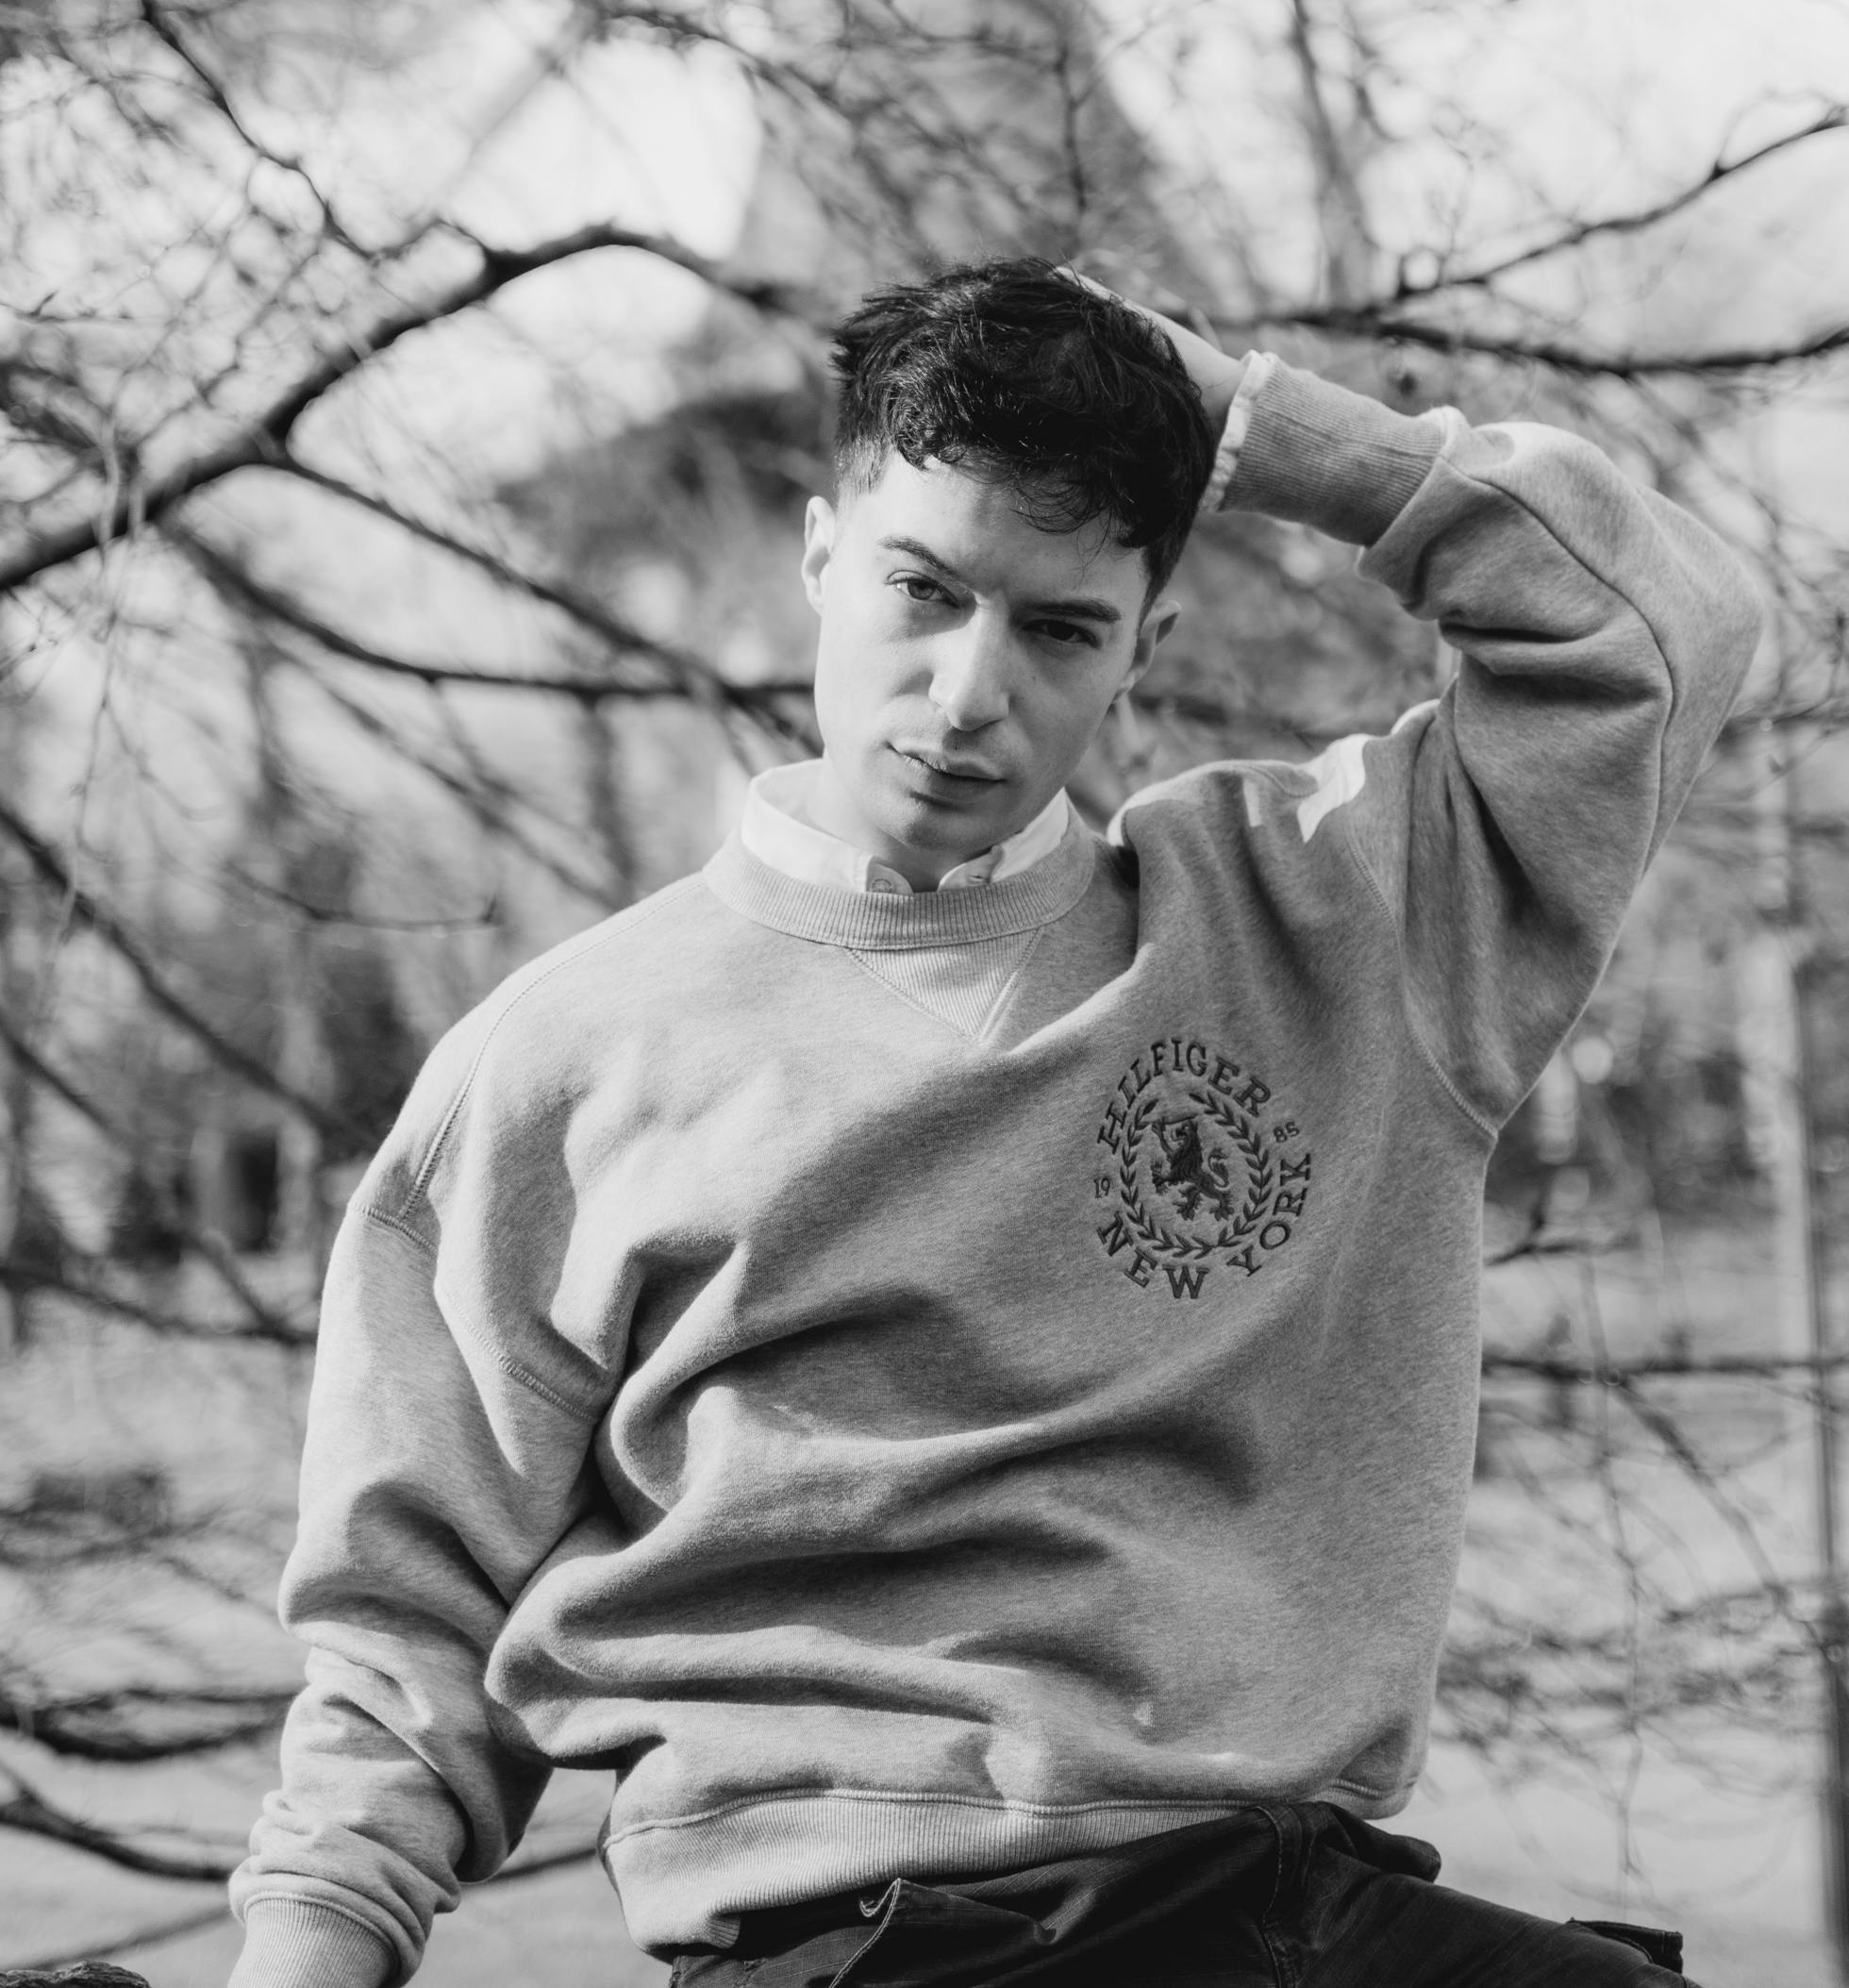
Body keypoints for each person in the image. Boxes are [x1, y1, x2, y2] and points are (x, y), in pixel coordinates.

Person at [228, 261, 1761, 1988]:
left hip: (1301, 1912)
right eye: (920, 589)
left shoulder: (1338, 929)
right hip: (871, 1936)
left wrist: (1260, 427)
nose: (968, 692)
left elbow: (1670, 630)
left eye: (1056, 627)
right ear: (820, 557)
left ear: (1143, 649)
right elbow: (401, 1638)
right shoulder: (562, 1065)